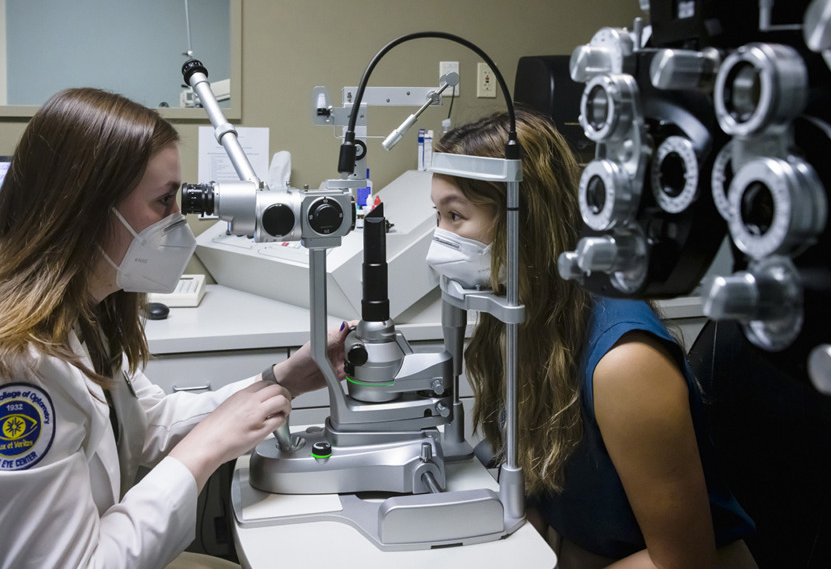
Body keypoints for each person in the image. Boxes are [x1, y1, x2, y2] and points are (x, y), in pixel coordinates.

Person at [0, 88, 347, 569]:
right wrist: (205, 451)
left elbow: (149, 422)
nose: (177, 221)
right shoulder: (22, 367)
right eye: (163, 201)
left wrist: (285, 378)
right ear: (85, 209)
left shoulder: (88, 313)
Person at [427, 109, 757, 569]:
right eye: (437, 214)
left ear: (526, 221)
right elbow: (543, 487)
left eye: (455, 215)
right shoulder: (523, 320)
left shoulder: (624, 362)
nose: (439, 238)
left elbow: (683, 561)